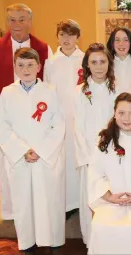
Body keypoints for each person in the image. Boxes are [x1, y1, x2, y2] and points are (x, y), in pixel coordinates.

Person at [0, 3, 53, 220]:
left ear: (31, 21)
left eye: (22, 19)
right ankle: (13, 211)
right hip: (9, 120)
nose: (17, 24)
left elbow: (49, 85)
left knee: (37, 165)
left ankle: (38, 210)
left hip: (37, 122)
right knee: (10, 166)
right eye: (12, 19)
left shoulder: (43, 48)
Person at [0, 48, 65, 255]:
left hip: (44, 157)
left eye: (30, 65)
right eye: (21, 65)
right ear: (15, 67)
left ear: (39, 67)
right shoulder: (8, 92)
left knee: (48, 201)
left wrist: (40, 150)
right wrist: (22, 150)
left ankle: (51, 241)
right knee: (23, 202)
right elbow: (1, 126)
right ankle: (27, 243)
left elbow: (58, 125)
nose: (26, 69)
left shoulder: (50, 91)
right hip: (20, 158)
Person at [87, 93, 131, 255]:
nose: (127, 118)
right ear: (114, 113)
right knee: (101, 227)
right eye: (121, 113)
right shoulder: (104, 140)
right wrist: (109, 197)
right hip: (111, 202)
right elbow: (94, 173)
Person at [73, 43, 120, 247]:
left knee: (113, 196)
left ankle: (112, 241)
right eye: (94, 62)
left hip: (113, 154)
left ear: (109, 63)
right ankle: (92, 243)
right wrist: (89, 157)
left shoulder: (117, 90)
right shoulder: (79, 92)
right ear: (87, 65)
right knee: (92, 199)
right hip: (90, 156)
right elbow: (78, 128)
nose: (99, 66)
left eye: (102, 61)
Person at [44, 19, 84, 216]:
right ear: (57, 37)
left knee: (77, 157)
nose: (66, 39)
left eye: (70, 35)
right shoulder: (50, 62)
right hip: (58, 118)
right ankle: (65, 202)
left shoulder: (84, 59)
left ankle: (79, 201)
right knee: (61, 160)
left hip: (78, 117)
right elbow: (45, 90)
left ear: (77, 37)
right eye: (62, 35)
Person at [106, 27, 131, 93]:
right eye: (117, 40)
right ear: (112, 43)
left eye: (125, 40)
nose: (121, 44)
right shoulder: (106, 64)